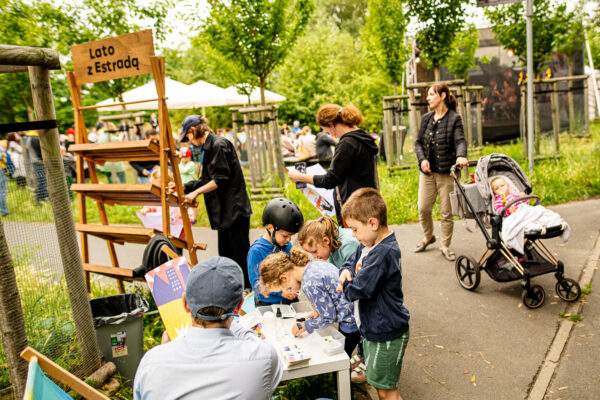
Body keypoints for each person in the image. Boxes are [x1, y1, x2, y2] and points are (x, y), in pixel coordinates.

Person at [134, 256, 283, 400]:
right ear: (239, 306)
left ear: (185, 303)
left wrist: (164, 351)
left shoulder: (151, 363)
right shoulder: (265, 356)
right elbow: (260, 347)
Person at [337, 188, 410, 400]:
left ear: (372, 223)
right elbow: (351, 260)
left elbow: (358, 289)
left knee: (387, 391)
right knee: (380, 386)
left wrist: (344, 284)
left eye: (355, 229)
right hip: (373, 329)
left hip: (385, 332)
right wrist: (345, 271)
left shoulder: (383, 253)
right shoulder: (369, 244)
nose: (353, 235)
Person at [177, 115, 253, 288]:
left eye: (187, 136)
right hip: (224, 212)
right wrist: (184, 187)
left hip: (234, 211)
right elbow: (206, 179)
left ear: (193, 130)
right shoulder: (209, 147)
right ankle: (233, 290)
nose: (188, 141)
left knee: (239, 256)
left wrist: (196, 192)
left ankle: (247, 290)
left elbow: (220, 179)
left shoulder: (219, 145)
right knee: (225, 256)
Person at [287, 104, 379, 224]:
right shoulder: (362, 137)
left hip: (354, 209)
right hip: (367, 202)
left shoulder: (347, 144)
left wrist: (300, 177)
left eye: (327, 130)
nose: (330, 134)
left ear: (331, 124)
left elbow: (330, 180)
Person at [259, 248, 360, 356]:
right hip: (358, 310)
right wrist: (319, 312)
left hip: (351, 321)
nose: (290, 292)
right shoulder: (315, 265)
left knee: (341, 358)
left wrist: (306, 325)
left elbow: (329, 317)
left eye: (286, 289)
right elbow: (333, 296)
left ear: (284, 278)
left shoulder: (309, 284)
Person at [414, 83, 468, 261]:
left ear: (443, 96)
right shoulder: (426, 118)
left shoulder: (454, 118)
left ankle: (445, 245)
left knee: (446, 212)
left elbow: (460, 141)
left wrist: (461, 156)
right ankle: (429, 236)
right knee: (423, 208)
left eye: (431, 94)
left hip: (447, 174)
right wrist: (422, 159)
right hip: (428, 173)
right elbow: (418, 143)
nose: (428, 98)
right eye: (428, 95)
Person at [247, 198, 304, 306]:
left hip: (289, 302)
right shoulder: (256, 251)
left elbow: (296, 271)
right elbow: (257, 286)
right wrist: (280, 293)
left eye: (291, 236)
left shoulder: (287, 246)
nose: (289, 240)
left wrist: (296, 286)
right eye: (285, 236)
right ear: (270, 228)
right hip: (268, 304)